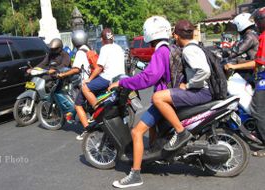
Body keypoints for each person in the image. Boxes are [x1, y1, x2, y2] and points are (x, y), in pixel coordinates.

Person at [110, 16, 173, 188]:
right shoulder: (167, 49)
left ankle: (135, 174)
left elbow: (148, 78)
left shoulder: (160, 52)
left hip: (163, 100)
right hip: (166, 97)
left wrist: (123, 83)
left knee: (137, 132)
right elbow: (154, 73)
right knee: (151, 125)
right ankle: (153, 154)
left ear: (149, 34)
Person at [152, 20, 212, 151]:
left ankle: (181, 132)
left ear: (177, 36)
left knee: (157, 97)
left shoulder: (188, 51)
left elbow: (204, 71)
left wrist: (189, 85)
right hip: (204, 90)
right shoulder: (198, 46)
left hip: (201, 92)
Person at [224, 7, 265, 157]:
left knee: (257, 109)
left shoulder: (257, 37)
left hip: (262, 76)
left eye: (258, 21)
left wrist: (234, 65)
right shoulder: (260, 36)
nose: (256, 24)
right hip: (260, 74)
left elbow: (257, 63)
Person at [76, 28, 125, 141]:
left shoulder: (104, 48)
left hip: (108, 78)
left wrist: (89, 79)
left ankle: (97, 111)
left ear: (102, 40)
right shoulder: (118, 47)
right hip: (120, 77)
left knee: (85, 88)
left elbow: (99, 67)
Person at [55, 30, 92, 127]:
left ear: (75, 41)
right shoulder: (88, 48)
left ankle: (87, 129)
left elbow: (76, 69)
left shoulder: (80, 52)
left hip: (86, 81)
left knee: (77, 104)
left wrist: (63, 75)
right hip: (92, 78)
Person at [225, 13, 259, 84]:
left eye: (236, 25)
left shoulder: (249, 36)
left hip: (255, 69)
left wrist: (224, 52)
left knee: (234, 79)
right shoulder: (253, 33)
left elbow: (237, 51)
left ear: (240, 24)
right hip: (254, 66)